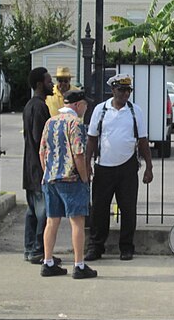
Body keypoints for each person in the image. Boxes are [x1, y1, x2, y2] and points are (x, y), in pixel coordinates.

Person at [85, 74, 154, 261]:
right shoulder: (100, 110)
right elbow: (91, 139)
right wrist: (87, 164)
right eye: (121, 90)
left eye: (128, 90)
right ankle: (96, 247)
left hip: (127, 168)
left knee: (128, 209)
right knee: (99, 209)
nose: (125, 94)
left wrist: (149, 166)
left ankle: (126, 247)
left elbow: (143, 140)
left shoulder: (135, 111)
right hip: (103, 167)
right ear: (113, 90)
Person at [38, 88, 97, 279]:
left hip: (50, 178)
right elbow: (79, 154)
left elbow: (42, 152)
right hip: (71, 178)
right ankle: (79, 264)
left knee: (51, 221)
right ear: (78, 105)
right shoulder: (76, 124)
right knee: (77, 221)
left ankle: (48, 262)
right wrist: (84, 177)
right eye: (85, 106)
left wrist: (48, 171)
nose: (85, 110)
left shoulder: (50, 121)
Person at [23, 66, 53, 264]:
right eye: (49, 81)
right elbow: (40, 139)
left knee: (33, 210)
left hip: (30, 168)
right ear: (40, 84)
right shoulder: (39, 107)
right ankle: (37, 249)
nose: (53, 85)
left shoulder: (30, 105)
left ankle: (29, 248)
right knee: (43, 211)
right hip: (38, 168)